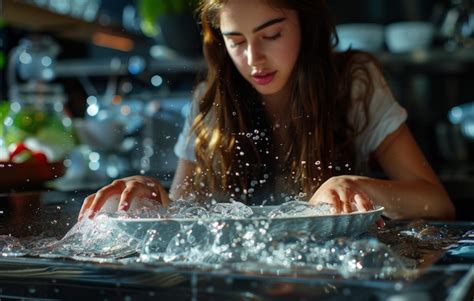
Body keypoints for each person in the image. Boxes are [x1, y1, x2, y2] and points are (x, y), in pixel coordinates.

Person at [79, 0, 455, 221]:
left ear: (305, 24)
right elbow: (185, 213)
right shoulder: (211, 100)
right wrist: (150, 198)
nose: (254, 59)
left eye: (272, 35)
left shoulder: (353, 83)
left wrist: (360, 186)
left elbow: (437, 203)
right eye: (236, 41)